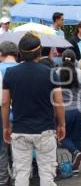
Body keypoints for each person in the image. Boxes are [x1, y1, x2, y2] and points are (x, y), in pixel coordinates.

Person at [1, 33, 65, 186]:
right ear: (39, 51)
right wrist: (61, 124)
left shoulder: (11, 73)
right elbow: (59, 103)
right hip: (45, 130)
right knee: (47, 175)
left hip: (20, 129)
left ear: (20, 53)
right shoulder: (51, 73)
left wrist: (6, 127)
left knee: (21, 174)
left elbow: (4, 102)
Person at [59, 49, 81, 174]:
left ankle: (75, 153)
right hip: (79, 111)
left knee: (62, 136)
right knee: (77, 138)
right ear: (75, 61)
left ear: (62, 60)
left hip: (64, 111)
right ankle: (76, 168)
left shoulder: (56, 73)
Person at [0, 41, 18, 186]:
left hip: (2, 113)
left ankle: (3, 180)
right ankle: (20, 179)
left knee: (2, 149)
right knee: (20, 150)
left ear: (1, 54)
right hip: (21, 114)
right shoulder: (23, 68)